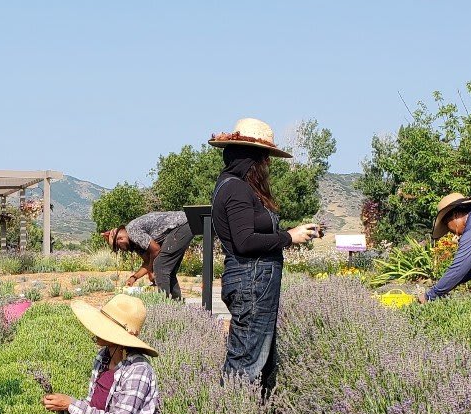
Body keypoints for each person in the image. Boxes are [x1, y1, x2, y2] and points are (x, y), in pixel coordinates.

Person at [209, 118, 318, 394]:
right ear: (253, 158)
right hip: (251, 280)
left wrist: (291, 233)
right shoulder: (236, 188)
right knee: (246, 362)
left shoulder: (234, 185)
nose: (267, 165)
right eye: (265, 158)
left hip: (252, 280)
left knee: (259, 358)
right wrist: (288, 237)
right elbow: (245, 241)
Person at [103, 210, 193, 299]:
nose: (121, 250)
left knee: (160, 266)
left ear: (120, 239)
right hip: (184, 225)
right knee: (167, 270)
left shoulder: (132, 231)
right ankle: (175, 305)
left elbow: (156, 250)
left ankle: (164, 306)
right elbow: (148, 262)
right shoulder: (134, 243)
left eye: (118, 247)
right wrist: (134, 278)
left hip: (181, 224)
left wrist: (151, 272)